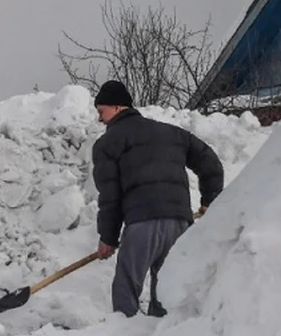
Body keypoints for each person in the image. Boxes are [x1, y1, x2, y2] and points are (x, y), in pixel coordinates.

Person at [90, 80, 224, 318]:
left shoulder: (107, 144)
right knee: (168, 289)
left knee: (126, 287)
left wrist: (108, 238)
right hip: (180, 224)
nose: (100, 118)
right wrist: (208, 201)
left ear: (117, 107)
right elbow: (211, 163)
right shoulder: (172, 133)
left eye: (101, 111)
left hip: (143, 223)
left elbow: (110, 195)